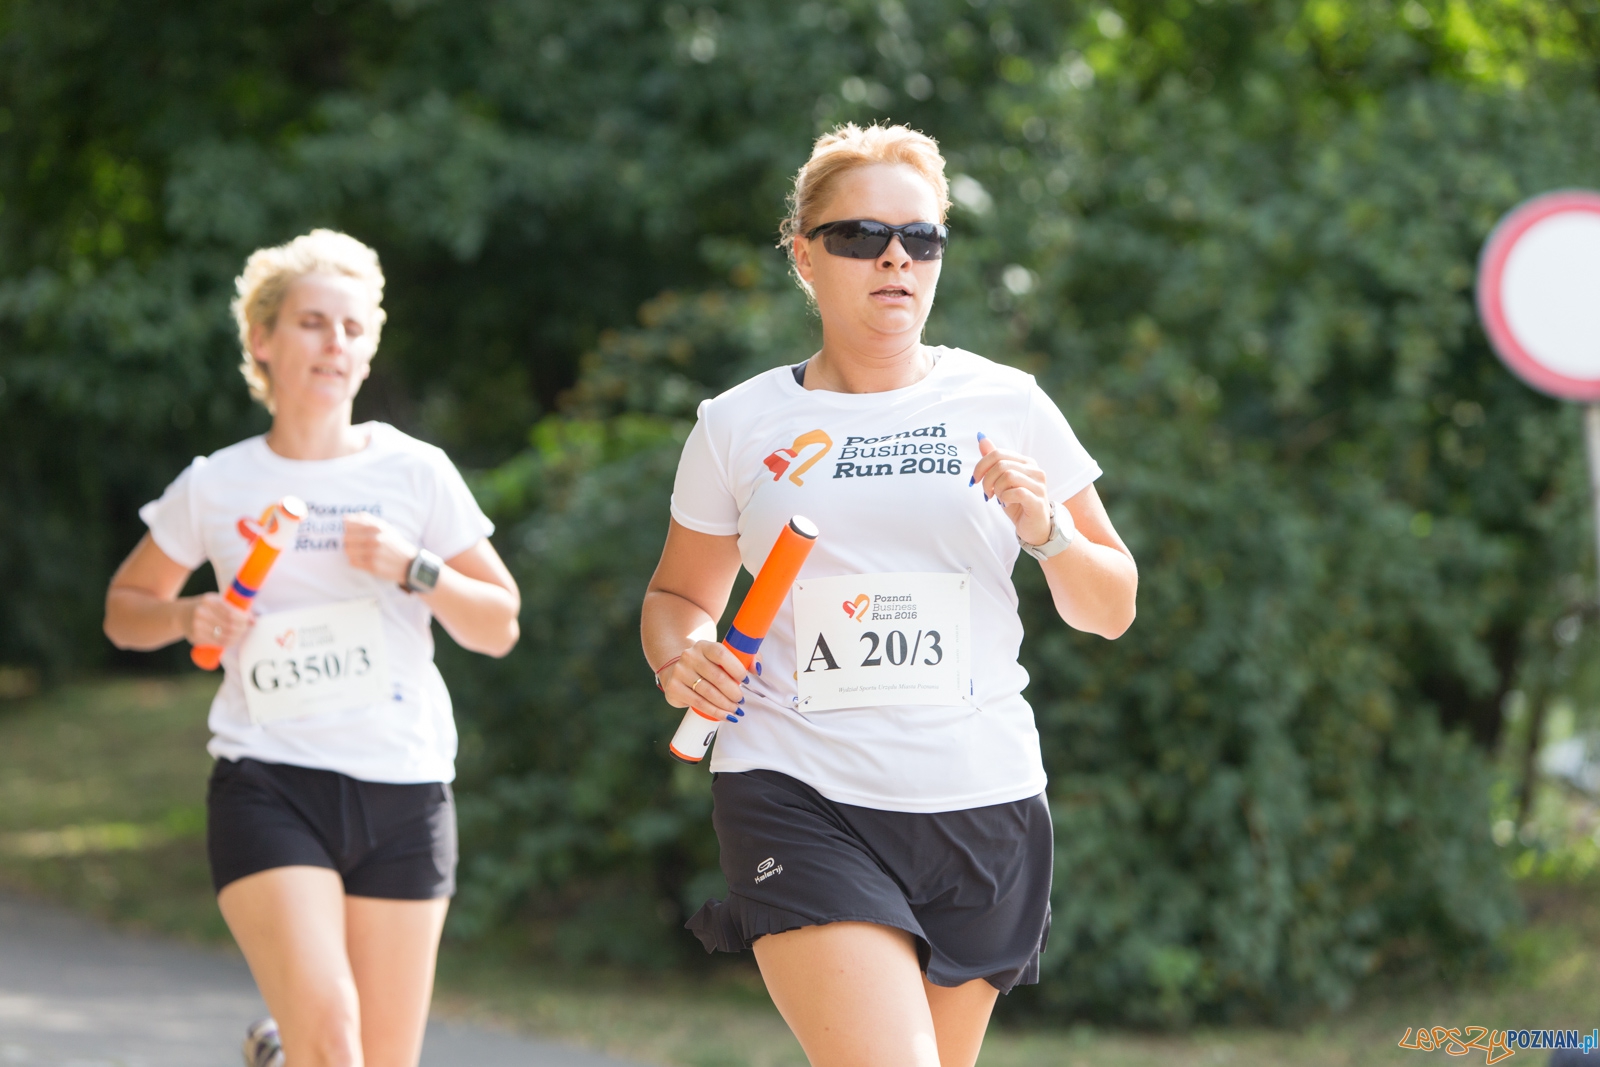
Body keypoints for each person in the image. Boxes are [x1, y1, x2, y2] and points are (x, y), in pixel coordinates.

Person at [641, 123, 1138, 1067]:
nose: (895, 258)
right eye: (861, 235)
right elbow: (676, 595)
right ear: (806, 254)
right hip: (797, 788)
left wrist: (1050, 531)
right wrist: (683, 655)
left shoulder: (1009, 404)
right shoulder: (737, 425)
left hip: (981, 803)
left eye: (922, 237)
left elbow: (1109, 605)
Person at [103, 229, 520, 1067]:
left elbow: (498, 622)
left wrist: (416, 566)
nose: (337, 343)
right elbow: (124, 610)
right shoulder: (217, 482)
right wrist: (189, 617)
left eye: (354, 327)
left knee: (379, 1059)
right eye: (313, 323)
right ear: (262, 339)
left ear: (369, 349)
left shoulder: (416, 471)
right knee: (333, 1035)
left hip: (404, 787)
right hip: (270, 780)